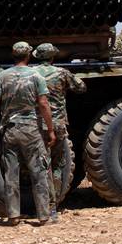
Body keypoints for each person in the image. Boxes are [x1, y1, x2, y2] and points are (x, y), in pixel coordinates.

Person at [0, 42, 58, 226]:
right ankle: (44, 215)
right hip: (31, 129)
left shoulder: (2, 77)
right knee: (38, 171)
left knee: (11, 173)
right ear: (28, 55)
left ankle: (13, 216)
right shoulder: (36, 76)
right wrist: (51, 130)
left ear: (13, 55)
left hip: (10, 129)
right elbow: (44, 104)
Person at [32, 43, 86, 203]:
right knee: (58, 164)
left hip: (38, 124)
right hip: (58, 124)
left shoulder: (31, 74)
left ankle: (40, 202)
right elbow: (81, 87)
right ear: (53, 57)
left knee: (40, 164)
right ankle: (53, 201)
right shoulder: (62, 73)